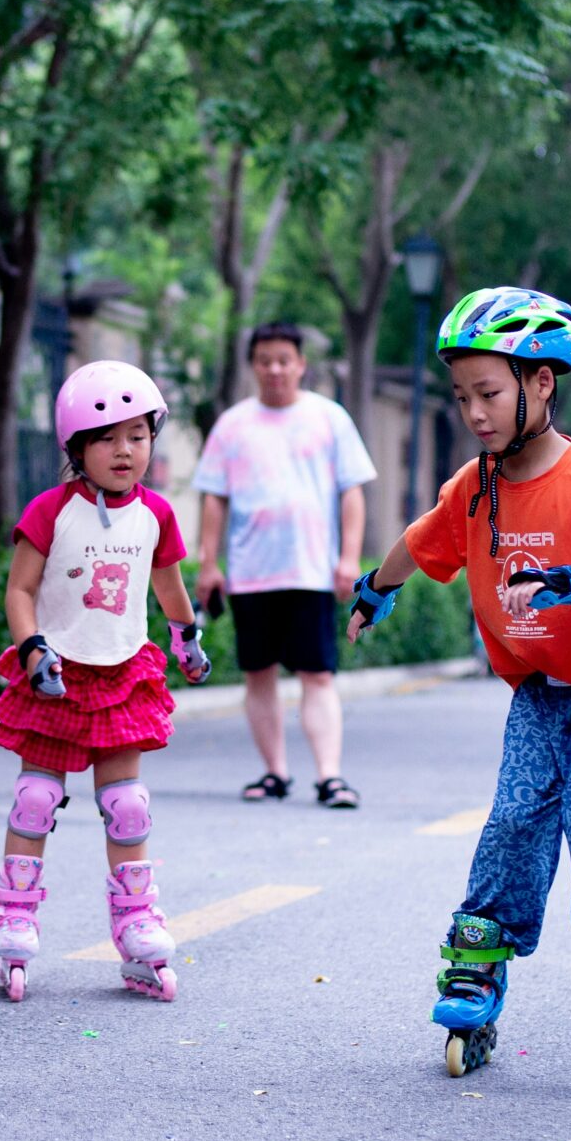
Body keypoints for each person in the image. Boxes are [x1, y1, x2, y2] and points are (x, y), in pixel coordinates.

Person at [344, 287, 571, 1097]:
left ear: (542, 384)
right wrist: (373, 589)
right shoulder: (475, 485)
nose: (474, 412)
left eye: (488, 392)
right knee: (517, 815)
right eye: (462, 396)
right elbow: (421, 544)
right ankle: (478, 967)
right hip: (536, 688)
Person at [0, 361, 212, 1005]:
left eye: (138, 435)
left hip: (123, 674)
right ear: (77, 447)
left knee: (128, 806)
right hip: (56, 672)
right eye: (108, 437)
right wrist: (31, 650)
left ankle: (136, 923)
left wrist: (187, 639)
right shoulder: (51, 511)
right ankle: (16, 916)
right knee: (35, 798)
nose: (125, 451)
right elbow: (20, 589)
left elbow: (168, 584)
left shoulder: (156, 514)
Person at [192, 322, 377, 810]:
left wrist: (348, 559)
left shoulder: (329, 417)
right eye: (265, 360)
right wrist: (209, 564)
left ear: (300, 364)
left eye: (284, 359)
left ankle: (330, 776)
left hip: (311, 572)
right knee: (259, 674)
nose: (275, 368)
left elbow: (352, 491)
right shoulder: (233, 424)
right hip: (251, 574)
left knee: (318, 675)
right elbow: (214, 499)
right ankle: (274, 773)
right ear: (253, 365)